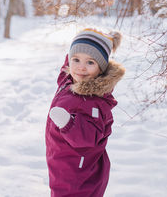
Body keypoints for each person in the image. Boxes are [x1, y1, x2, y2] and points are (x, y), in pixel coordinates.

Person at [45, 28, 126, 197]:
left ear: (101, 69)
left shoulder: (94, 101)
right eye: (76, 60)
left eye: (90, 62)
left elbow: (88, 138)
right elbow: (68, 65)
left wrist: (69, 123)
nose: (81, 67)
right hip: (63, 162)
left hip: (79, 175)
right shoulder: (69, 80)